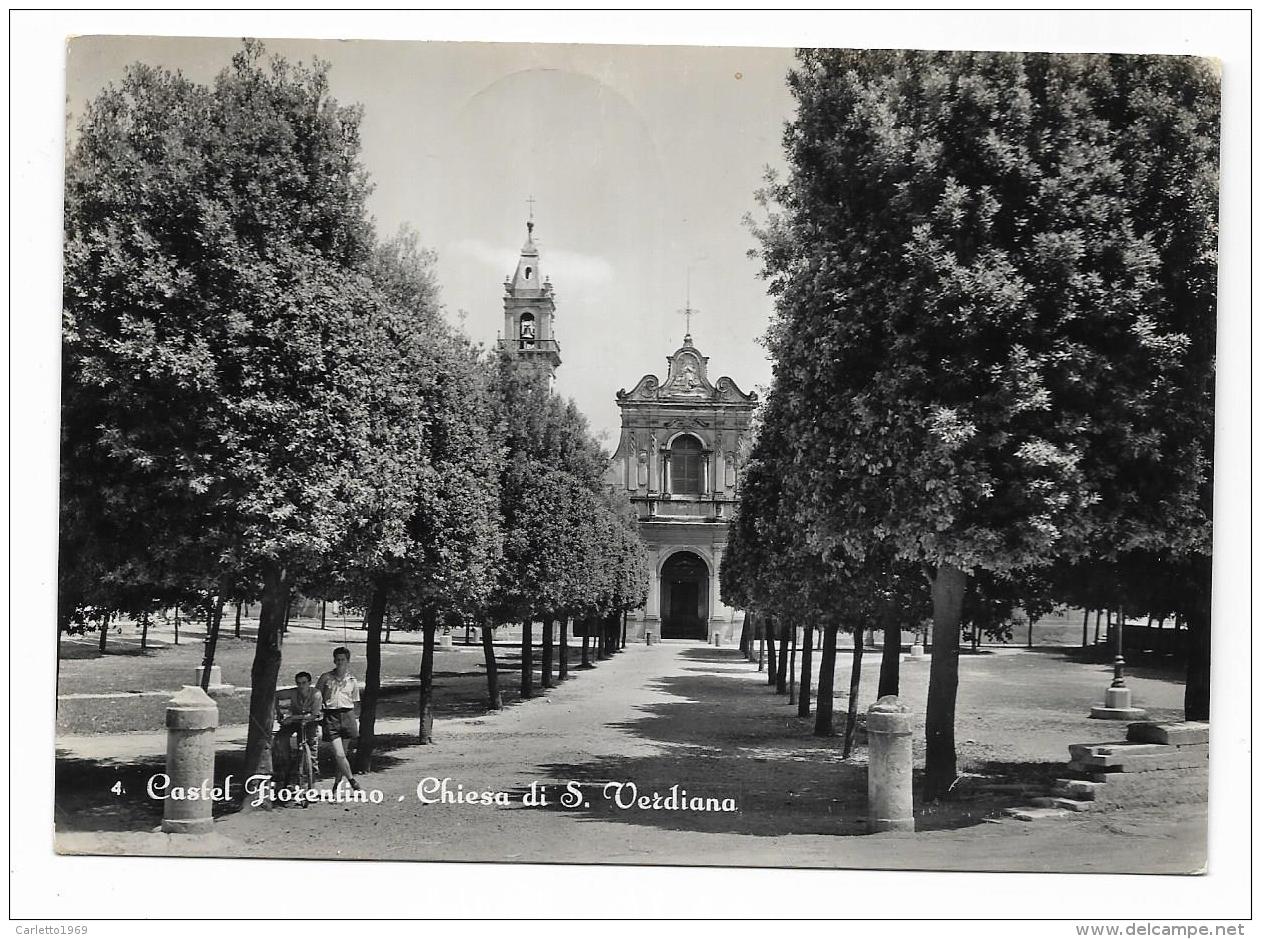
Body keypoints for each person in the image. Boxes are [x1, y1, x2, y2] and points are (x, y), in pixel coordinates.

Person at [316, 646, 363, 792]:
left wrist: (356, 717)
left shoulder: (352, 680)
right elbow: (317, 695)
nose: (340, 662)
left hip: (347, 715)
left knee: (343, 755)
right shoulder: (326, 677)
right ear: (334, 660)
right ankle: (352, 781)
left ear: (348, 661)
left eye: (343, 659)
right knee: (339, 754)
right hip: (331, 716)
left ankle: (336, 785)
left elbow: (355, 701)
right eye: (337, 659)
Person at [275, 671, 322, 785]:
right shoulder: (293, 692)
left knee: (311, 746)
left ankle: (312, 778)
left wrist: (292, 717)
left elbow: (314, 715)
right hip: (295, 722)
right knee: (280, 739)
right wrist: (279, 713)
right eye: (299, 683)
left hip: (310, 722)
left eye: (304, 683)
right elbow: (275, 695)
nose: (301, 686)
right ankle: (287, 763)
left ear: (309, 683)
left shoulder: (316, 694)